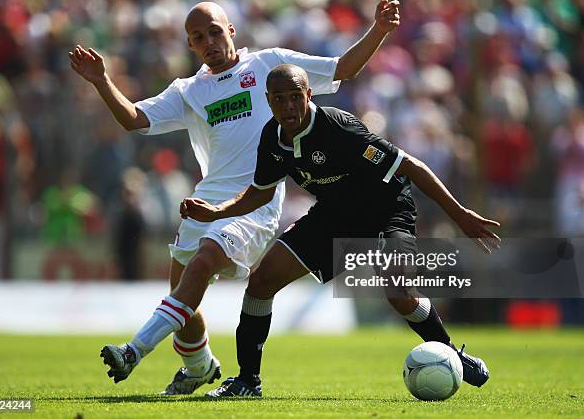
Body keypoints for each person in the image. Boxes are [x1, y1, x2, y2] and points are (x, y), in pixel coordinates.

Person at [68, 0, 401, 394]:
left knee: (206, 258)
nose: (208, 41)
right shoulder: (189, 90)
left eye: (213, 31)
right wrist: (101, 81)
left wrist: (378, 30)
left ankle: (134, 350)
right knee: (183, 298)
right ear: (190, 46)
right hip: (205, 199)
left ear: (231, 31)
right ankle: (199, 367)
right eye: (197, 37)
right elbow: (134, 120)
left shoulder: (267, 65)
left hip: (255, 201)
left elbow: (342, 69)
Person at [180, 64, 500, 397]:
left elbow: (409, 166)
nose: (288, 106)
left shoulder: (339, 127)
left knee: (398, 292)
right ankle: (248, 381)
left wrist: (459, 215)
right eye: (279, 99)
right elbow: (260, 191)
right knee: (262, 281)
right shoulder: (272, 137)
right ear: (268, 100)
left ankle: (450, 353)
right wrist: (216, 211)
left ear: (308, 95)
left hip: (387, 209)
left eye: (294, 97)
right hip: (335, 216)